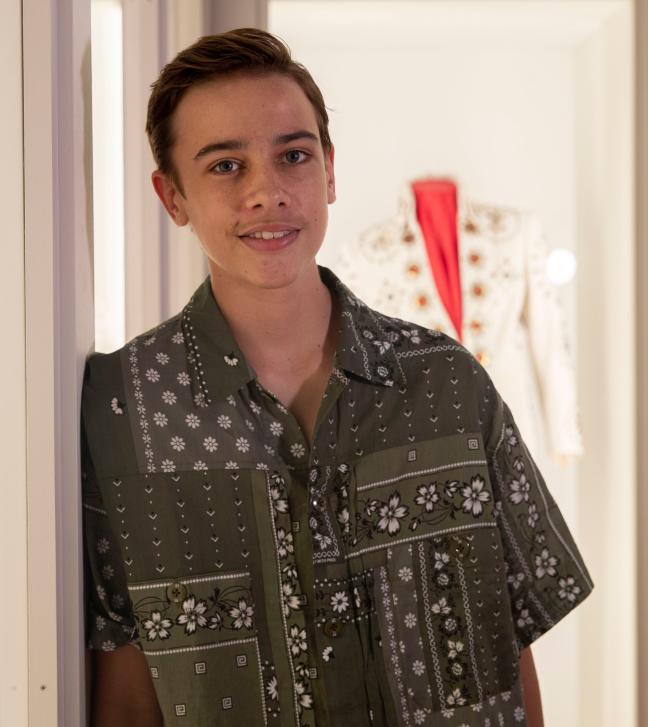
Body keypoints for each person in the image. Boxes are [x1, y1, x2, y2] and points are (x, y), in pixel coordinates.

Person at [82, 27, 592, 727]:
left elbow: (510, 641)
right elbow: (126, 682)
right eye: (226, 166)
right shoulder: (120, 408)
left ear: (328, 171)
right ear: (173, 197)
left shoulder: (447, 383)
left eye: (292, 155)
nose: (268, 191)